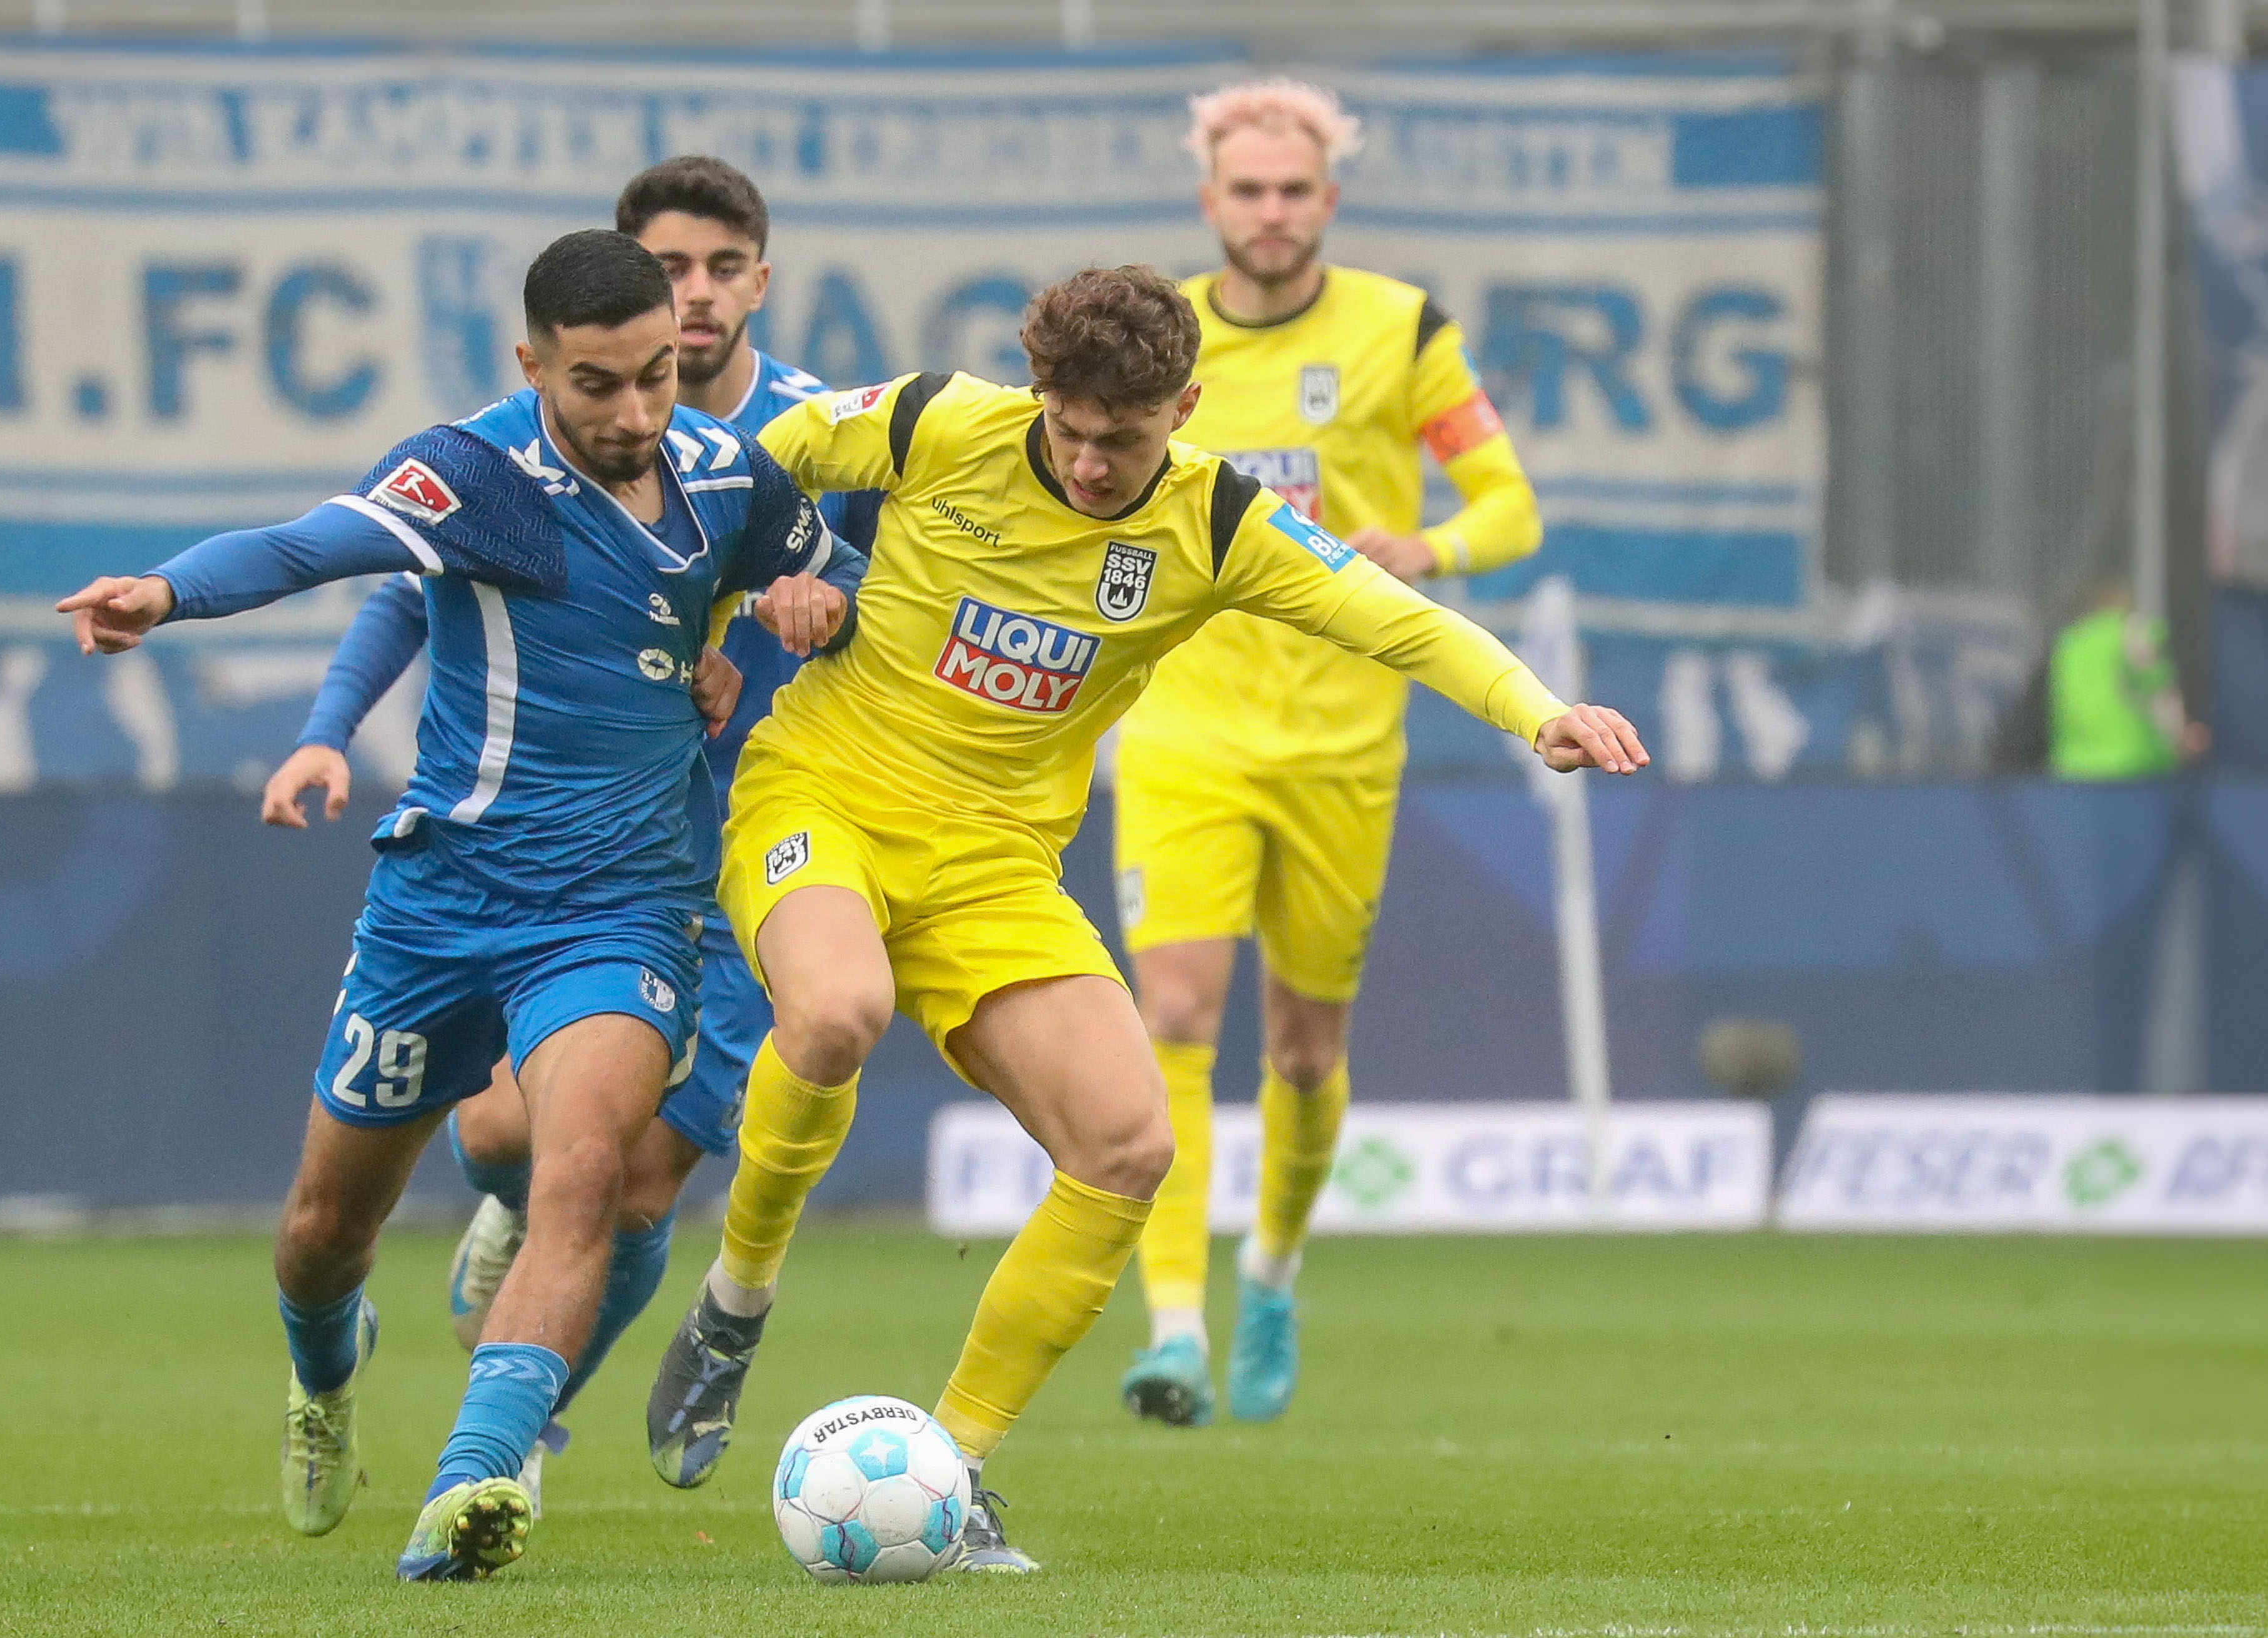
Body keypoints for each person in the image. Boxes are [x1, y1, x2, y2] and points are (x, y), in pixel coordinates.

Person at [644, 265, 1647, 1572]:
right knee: (836, 1012)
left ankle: (952, 1469)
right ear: (1038, 392)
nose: (1091, 459)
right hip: (827, 790)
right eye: (1069, 428)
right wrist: (742, 598)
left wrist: (1539, 711)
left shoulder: (1220, 522)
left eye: (1123, 437)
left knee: (1127, 1144)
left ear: (1184, 405)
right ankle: (735, 1305)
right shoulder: (937, 421)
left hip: (999, 864)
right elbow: (732, 469)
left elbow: (1395, 620)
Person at [54, 229, 865, 1582]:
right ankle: (326, 1379)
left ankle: (476, 1483)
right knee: (323, 1239)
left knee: (591, 1175)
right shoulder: (474, 474)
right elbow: (309, 548)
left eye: (658, 376)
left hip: (621, 905)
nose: (637, 413)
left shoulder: (729, 474)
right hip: (445, 899)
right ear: (533, 362)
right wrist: (166, 592)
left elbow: (827, 571)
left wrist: (789, 610)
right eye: (599, 384)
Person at [269, 155, 876, 1507]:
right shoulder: (509, 445)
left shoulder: (826, 436)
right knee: (498, 1147)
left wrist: (783, 623)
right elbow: (390, 583)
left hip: (753, 860)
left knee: (630, 1179)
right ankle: (476, 1261)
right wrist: (326, 724)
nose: (699, 293)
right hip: (552, 859)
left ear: (760, 282)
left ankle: (509, 1456)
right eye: (673, 269)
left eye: (725, 268)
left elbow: (875, 590)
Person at [1110, 79, 1547, 1429]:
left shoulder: (1401, 329)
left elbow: (1510, 505)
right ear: (1210, 204)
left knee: (1303, 1051)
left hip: (1347, 740)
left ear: (1328, 202)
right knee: (1174, 1016)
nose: (1272, 212)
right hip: (1186, 724)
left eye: (1294, 190)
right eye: (1248, 190)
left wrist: (1429, 549)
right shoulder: (1161, 336)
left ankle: (1278, 1271)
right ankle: (1174, 1325)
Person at [2049, 580, 2209, 780]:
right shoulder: (2133, 631)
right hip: (2134, 766)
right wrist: (2181, 736)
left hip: (2074, 769)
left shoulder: (2068, 643)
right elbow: (2161, 694)